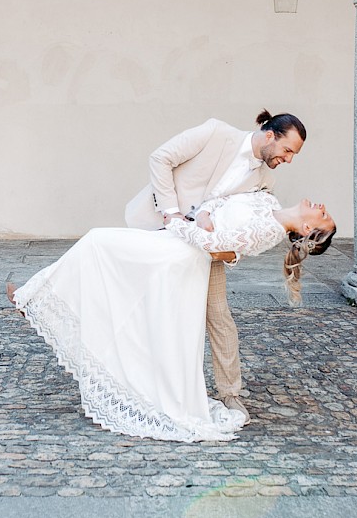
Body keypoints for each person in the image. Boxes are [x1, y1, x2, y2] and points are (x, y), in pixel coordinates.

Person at [8, 191, 335, 442]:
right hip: (174, 239)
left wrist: (177, 223)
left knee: (100, 245)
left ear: (306, 228)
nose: (322, 206)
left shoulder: (268, 231)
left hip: (180, 254)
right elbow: (218, 200)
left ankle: (36, 298)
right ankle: (35, 295)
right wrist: (200, 214)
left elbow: (214, 245)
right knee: (100, 249)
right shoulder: (267, 199)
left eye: (324, 216)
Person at [124, 110, 306, 424]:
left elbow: (249, 229)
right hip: (157, 228)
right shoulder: (215, 133)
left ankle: (230, 393)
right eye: (287, 150)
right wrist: (171, 213)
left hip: (206, 251)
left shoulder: (265, 182)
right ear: (269, 136)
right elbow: (161, 158)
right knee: (133, 300)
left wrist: (228, 255)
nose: (289, 159)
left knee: (220, 317)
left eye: (293, 154)